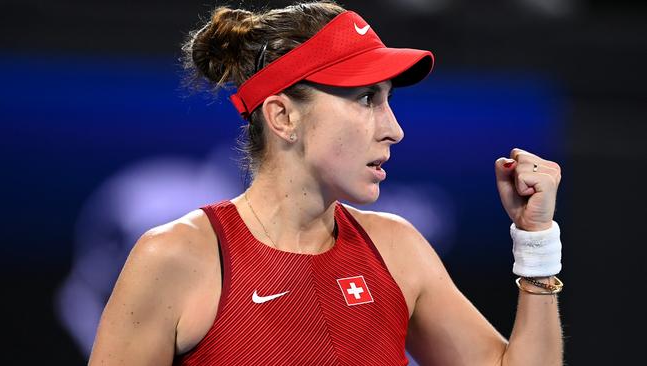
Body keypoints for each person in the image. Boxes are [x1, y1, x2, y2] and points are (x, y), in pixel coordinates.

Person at [89, 2, 564, 365]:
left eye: (387, 99)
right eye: (365, 99)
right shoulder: (175, 257)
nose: (393, 128)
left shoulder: (398, 249)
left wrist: (537, 241)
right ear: (282, 116)